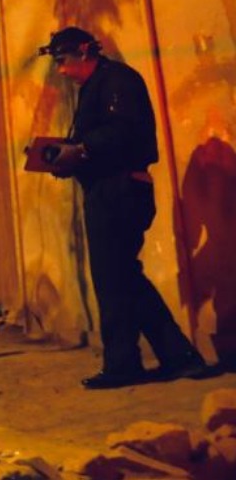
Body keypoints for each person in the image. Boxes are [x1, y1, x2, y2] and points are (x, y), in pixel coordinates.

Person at [40, 26, 211, 389]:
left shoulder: (117, 80)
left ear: (85, 51)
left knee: (115, 279)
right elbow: (101, 139)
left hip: (120, 189)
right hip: (107, 189)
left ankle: (127, 365)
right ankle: (177, 358)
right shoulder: (95, 87)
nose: (62, 71)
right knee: (121, 278)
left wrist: (80, 150)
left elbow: (120, 133)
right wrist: (67, 158)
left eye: (63, 61)